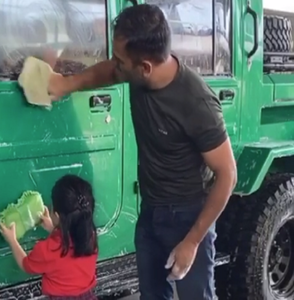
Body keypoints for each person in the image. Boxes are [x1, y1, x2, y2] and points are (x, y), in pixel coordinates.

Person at [47, 4, 237, 300]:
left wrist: (192, 241)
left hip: (187, 217)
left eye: (121, 61)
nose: (116, 65)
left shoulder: (196, 102)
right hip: (150, 213)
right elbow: (109, 71)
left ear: (145, 67)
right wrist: (66, 84)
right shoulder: (137, 71)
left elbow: (228, 175)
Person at [0, 175, 98, 300]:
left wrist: (12, 240)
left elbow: (26, 265)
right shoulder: (91, 238)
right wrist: (53, 228)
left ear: (56, 215)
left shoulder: (47, 250)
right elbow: (68, 250)